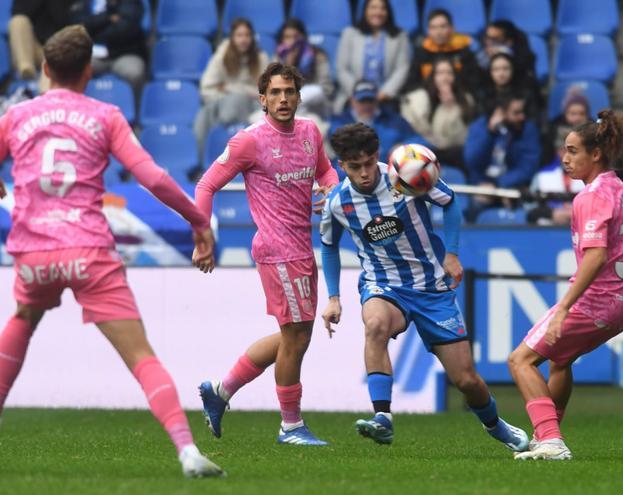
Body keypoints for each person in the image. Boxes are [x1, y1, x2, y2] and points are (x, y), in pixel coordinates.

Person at [0, 25, 223, 478]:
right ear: (88, 72)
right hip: (88, 250)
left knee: (23, 317)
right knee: (141, 356)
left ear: (44, 68)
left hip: (35, 252)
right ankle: (187, 451)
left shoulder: (17, 116)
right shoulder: (105, 115)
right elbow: (152, 178)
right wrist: (197, 221)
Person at [318, 123, 529, 451]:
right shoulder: (337, 203)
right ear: (340, 165)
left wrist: (452, 254)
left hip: (432, 287)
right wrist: (333, 297)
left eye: (369, 163)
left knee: (466, 380)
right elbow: (329, 246)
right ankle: (383, 418)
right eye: (353, 167)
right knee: (374, 324)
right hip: (384, 283)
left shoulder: (406, 174)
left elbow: (450, 201)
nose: (363, 174)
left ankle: (496, 426)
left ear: (377, 157)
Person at [194, 62, 339, 446]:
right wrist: (202, 236)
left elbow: (326, 172)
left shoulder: (310, 132)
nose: (283, 98)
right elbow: (206, 185)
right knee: (295, 338)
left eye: (289, 91)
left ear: (299, 96)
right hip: (276, 250)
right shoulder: (249, 141)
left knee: (294, 336)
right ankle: (290, 427)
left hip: (300, 248)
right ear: (262, 99)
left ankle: (220, 391)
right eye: (275, 92)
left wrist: (330, 191)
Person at [508, 110, 623, 461]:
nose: (564, 159)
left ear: (595, 154)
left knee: (521, 361)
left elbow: (596, 256)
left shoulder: (591, 196)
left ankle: (551, 439)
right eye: (563, 151)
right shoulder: (617, 186)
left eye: (572, 151)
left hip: (597, 301)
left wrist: (565, 307)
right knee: (560, 360)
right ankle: (547, 436)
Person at [194, 17, 269, 158]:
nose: (244, 40)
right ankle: (202, 161)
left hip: (252, 106)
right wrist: (226, 96)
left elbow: (267, 93)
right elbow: (206, 88)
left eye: (247, 35)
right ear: (232, 37)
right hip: (221, 104)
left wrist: (231, 88)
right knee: (202, 117)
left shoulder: (261, 58)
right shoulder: (222, 55)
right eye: (239, 35)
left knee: (239, 101)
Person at [464, 93, 541, 220]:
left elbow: (528, 166)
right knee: (475, 205)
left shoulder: (528, 129)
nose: (522, 117)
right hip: (482, 187)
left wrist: (498, 185)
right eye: (516, 113)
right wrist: (489, 133)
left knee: (527, 210)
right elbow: (472, 161)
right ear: (501, 113)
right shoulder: (480, 127)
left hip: (514, 187)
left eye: (522, 112)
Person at [526, 88, 589, 225]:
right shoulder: (542, 176)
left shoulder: (594, 178)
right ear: (557, 151)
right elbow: (529, 209)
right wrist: (552, 213)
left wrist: (576, 212)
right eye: (563, 150)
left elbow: (608, 209)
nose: (567, 156)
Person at [334, 0, 410, 113]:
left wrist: (384, 93)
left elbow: (402, 68)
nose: (378, 12)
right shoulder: (350, 33)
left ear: (388, 12)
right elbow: (341, 68)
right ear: (365, 11)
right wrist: (357, 92)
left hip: (386, 98)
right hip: (353, 97)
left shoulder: (399, 36)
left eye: (382, 8)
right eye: (373, 7)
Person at [401, 57, 476, 170]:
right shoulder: (416, 100)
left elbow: (459, 138)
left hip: (453, 154)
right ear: (432, 76)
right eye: (440, 73)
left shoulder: (465, 100)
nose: (445, 78)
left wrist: (450, 108)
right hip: (421, 152)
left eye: (449, 73)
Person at [330, 80, 428, 161]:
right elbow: (334, 157)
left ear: (377, 99)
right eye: (362, 101)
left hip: (392, 172)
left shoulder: (394, 120)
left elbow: (421, 142)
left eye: (370, 100)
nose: (367, 105)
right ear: (352, 100)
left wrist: (404, 147)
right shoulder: (339, 123)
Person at [79, 0, 147, 95]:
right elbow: (78, 27)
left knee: (134, 73)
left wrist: (94, 32)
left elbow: (126, 30)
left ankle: (136, 107)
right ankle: (76, 107)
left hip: (124, 54)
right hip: (93, 54)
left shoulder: (131, 3)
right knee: (74, 68)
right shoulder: (87, 3)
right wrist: (107, 18)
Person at [406, 8, 480, 92]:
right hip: (429, 96)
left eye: (443, 26)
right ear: (428, 31)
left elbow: (474, 82)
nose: (438, 32)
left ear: (452, 28)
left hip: (457, 97)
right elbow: (411, 83)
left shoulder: (464, 51)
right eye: (433, 27)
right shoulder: (421, 52)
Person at [274, 18, 334, 122]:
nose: (292, 41)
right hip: (293, 107)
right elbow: (275, 88)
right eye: (287, 37)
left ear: (303, 37)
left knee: (315, 91)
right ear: (282, 40)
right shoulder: (279, 57)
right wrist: (288, 66)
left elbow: (326, 88)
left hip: (316, 105)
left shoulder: (317, 55)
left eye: (296, 37)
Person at [8, 0, 76, 82]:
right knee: (18, 21)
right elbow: (18, 11)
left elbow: (64, 20)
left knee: (51, 63)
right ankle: (26, 69)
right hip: (33, 47)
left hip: (58, 50)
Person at [477, 52, 540, 122]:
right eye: (496, 69)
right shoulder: (484, 96)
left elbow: (534, 120)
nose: (501, 74)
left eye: (506, 68)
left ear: (513, 70)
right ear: (490, 72)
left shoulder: (525, 94)